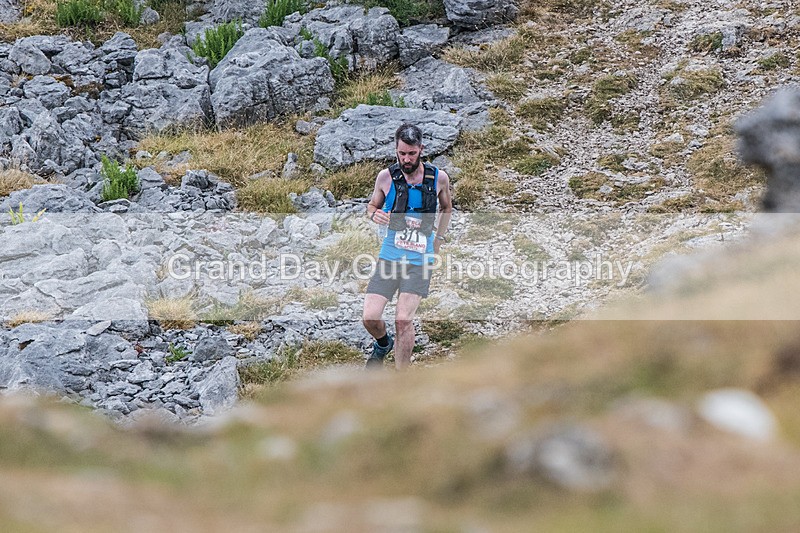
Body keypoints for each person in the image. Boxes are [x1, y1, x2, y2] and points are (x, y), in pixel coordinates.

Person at [362, 123, 453, 370]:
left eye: (411, 154)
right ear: (396, 150)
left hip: (419, 260)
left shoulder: (438, 178)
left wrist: (438, 240)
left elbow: (446, 208)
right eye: (402, 153)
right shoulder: (385, 177)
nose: (406, 159)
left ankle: (402, 378)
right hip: (390, 256)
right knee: (370, 317)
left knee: (403, 319)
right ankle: (382, 343)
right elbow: (371, 206)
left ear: (421, 149)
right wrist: (374, 215)